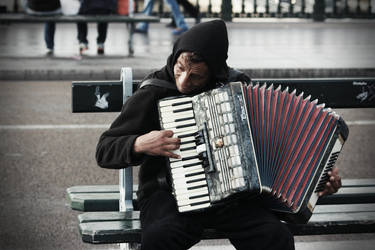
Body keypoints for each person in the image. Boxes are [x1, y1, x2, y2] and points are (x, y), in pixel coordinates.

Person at [96, 20, 342, 250]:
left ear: (214, 70)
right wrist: (139, 143)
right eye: (179, 68)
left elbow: (278, 145)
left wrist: (319, 178)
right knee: (160, 236)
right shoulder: (155, 91)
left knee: (275, 238)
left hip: (232, 198)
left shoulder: (236, 87)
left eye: (195, 76)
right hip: (167, 196)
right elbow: (105, 149)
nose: (183, 81)